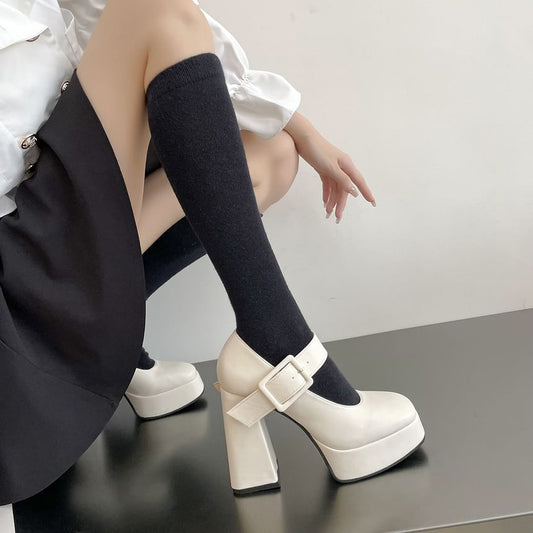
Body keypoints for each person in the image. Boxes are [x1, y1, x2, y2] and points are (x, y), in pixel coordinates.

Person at [0, 0, 425, 505]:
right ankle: (280, 348)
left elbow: (139, 18)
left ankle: (111, 339)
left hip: (46, 228)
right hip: (18, 283)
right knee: (154, 12)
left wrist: (303, 129)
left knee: (269, 155)